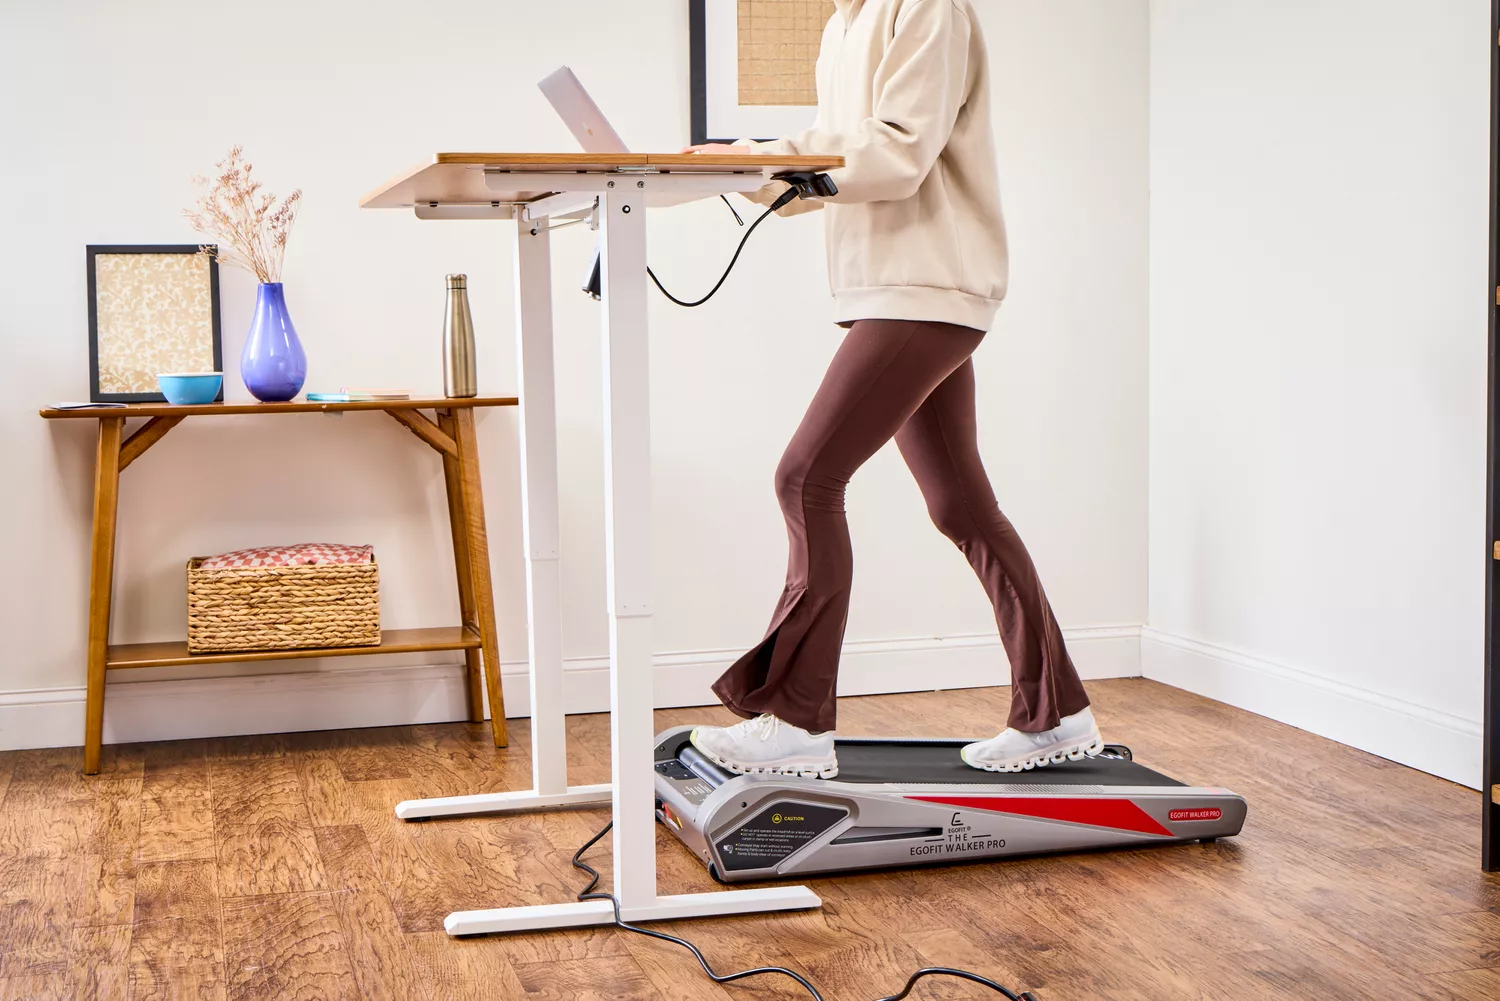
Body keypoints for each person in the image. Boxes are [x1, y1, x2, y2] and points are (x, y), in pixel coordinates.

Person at [682, 0, 1101, 779]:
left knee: (805, 478)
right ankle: (1058, 713)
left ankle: (797, 722)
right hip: (888, 287)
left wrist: (763, 160)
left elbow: (900, 154)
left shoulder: (927, 7)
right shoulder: (846, 25)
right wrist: (742, 164)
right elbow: (839, 150)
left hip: (925, 283)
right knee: (962, 506)